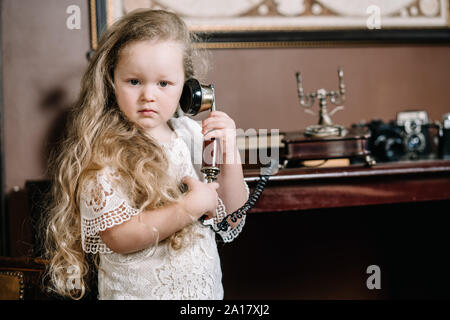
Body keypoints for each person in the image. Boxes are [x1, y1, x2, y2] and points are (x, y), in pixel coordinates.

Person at [43, 9, 249, 300]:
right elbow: (118, 237)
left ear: (189, 90)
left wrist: (229, 155)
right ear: (111, 81)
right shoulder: (104, 150)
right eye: (135, 82)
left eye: (164, 84)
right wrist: (188, 208)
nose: (148, 96)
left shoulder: (191, 134)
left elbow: (231, 217)